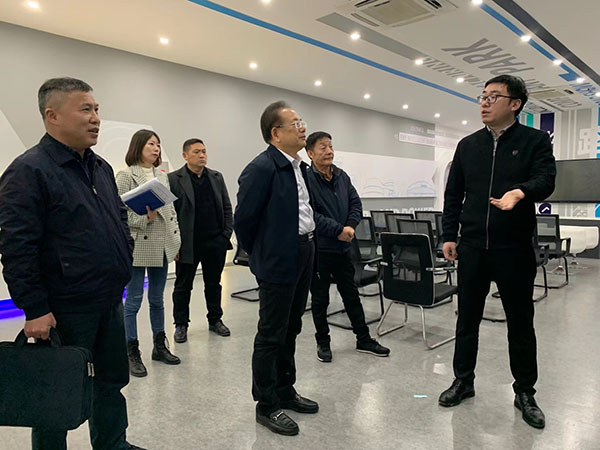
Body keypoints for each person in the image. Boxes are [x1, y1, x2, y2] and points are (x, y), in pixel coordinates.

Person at [0, 77, 144, 449]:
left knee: (110, 383)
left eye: (96, 109)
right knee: (55, 395)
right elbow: (17, 247)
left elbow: (118, 219)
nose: (95, 118)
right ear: (53, 115)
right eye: (85, 109)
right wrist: (35, 308)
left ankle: (113, 444)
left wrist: (123, 253)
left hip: (107, 301)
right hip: (64, 308)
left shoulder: (100, 168)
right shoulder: (28, 171)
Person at [438, 75, 556, 429]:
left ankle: (525, 392)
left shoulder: (534, 141)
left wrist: (520, 192)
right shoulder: (468, 145)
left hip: (513, 248)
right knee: (466, 320)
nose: (485, 103)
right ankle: (463, 381)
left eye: (493, 96)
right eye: (483, 96)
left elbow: (546, 180)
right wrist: (449, 235)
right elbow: (453, 194)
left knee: (520, 324)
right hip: (473, 246)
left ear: (515, 104)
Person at [234, 101, 318, 436]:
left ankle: (285, 389)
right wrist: (261, 255)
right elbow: (244, 220)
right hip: (278, 258)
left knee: (292, 327)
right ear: (276, 133)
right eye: (295, 123)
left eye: (301, 121)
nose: (302, 127)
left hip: (304, 251)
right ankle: (266, 403)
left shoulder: (299, 166)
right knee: (271, 333)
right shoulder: (262, 168)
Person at [305, 131, 390, 362]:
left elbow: (355, 203)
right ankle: (323, 343)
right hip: (320, 250)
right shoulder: (306, 179)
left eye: (330, 146)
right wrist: (338, 230)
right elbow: (311, 214)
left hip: (344, 249)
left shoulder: (342, 176)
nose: (329, 151)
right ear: (310, 153)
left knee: (351, 295)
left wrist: (350, 226)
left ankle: (364, 339)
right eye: (323, 147)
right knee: (320, 300)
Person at [115, 129, 181, 377]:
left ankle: (159, 346)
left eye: (158, 144)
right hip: (138, 244)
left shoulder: (161, 175)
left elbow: (171, 211)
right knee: (133, 300)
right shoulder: (125, 175)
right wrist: (144, 218)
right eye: (151, 144)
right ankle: (131, 350)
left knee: (157, 299)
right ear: (138, 146)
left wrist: (176, 241)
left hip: (162, 244)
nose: (156, 149)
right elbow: (119, 214)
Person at [168, 138, 233, 342]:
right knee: (183, 285)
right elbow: (170, 214)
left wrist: (225, 235)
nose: (202, 155)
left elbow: (226, 207)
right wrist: (174, 244)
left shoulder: (216, 177)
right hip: (188, 244)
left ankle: (215, 320)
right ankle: (181, 324)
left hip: (215, 241)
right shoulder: (173, 179)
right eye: (196, 152)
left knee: (214, 284)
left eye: (204, 151)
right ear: (185, 155)